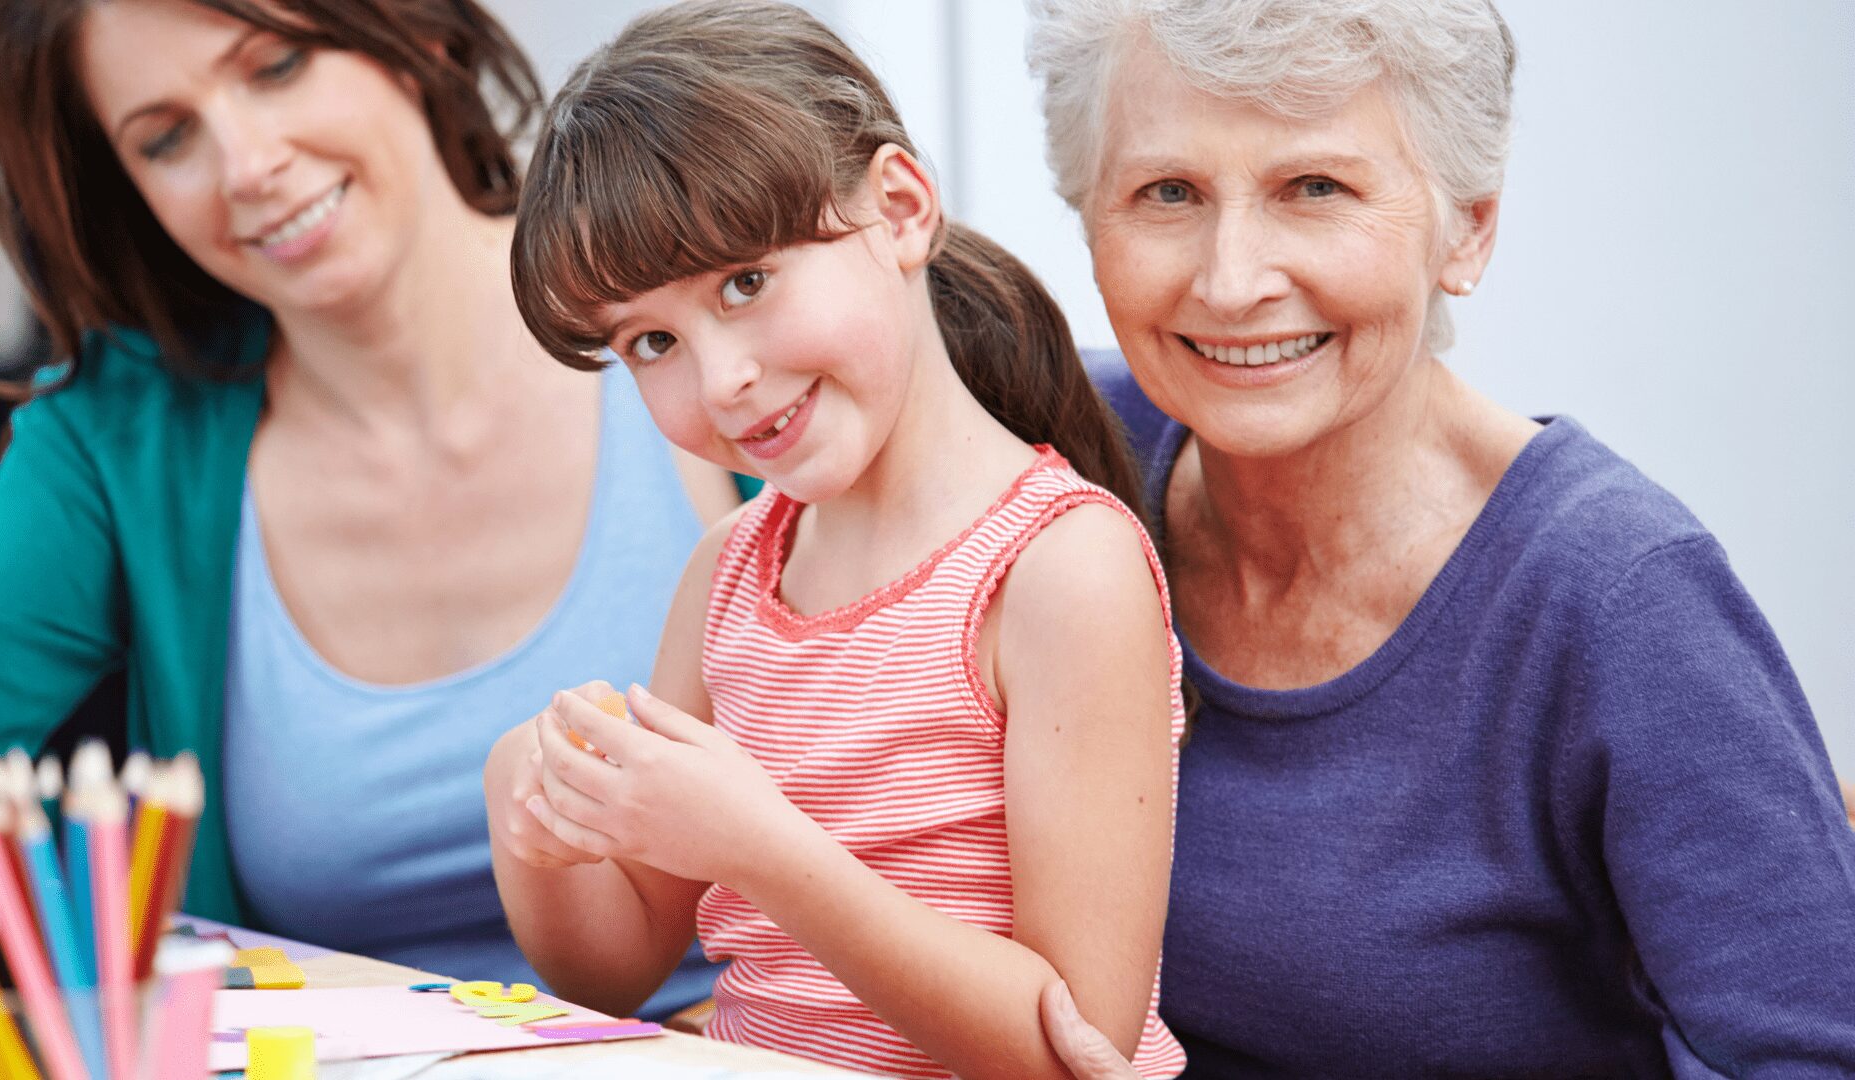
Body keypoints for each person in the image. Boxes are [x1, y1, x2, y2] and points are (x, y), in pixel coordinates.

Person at [1015, 0, 1855, 1076]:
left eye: (1313, 188)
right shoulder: (1058, 451)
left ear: (1469, 229)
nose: (1231, 281)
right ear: (1090, 217)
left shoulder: (1618, 594)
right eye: (1166, 192)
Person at [0, 0, 734, 1018]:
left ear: (415, 31)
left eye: (276, 67)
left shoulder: (717, 298)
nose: (247, 163)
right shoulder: (117, 437)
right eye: (167, 137)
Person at [485, 3, 1187, 1077]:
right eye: (653, 340)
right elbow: (613, 970)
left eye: (747, 282)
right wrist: (537, 837)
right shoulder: (727, 574)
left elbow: (1074, 1049)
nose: (720, 380)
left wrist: (761, 849)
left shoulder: (1058, 572)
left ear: (901, 209)